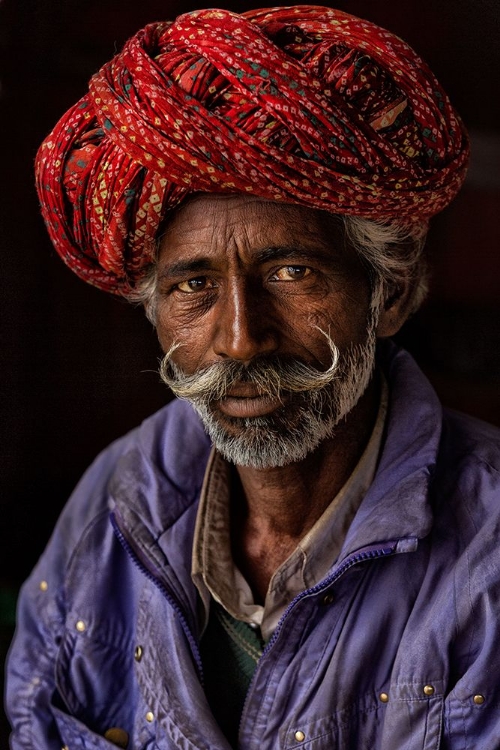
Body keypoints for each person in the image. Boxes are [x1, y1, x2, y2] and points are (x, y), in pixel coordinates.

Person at [6, 5, 500, 749]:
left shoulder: (489, 556)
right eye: (193, 287)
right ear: (157, 314)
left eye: (291, 272)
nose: (240, 341)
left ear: (389, 294)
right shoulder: (115, 501)